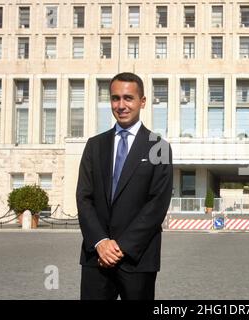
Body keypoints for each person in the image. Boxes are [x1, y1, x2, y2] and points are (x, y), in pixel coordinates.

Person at [76, 72, 173, 300]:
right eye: (115, 98)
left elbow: (157, 205)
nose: (121, 105)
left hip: (137, 259)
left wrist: (120, 247)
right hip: (96, 258)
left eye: (128, 98)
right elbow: (84, 198)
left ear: (143, 101)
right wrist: (100, 242)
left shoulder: (159, 148)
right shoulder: (94, 145)